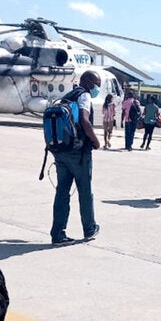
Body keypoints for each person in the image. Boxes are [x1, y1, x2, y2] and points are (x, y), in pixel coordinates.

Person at [49, 70, 102, 244]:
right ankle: (89, 228)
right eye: (96, 84)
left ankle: (58, 233)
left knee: (62, 192)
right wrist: (95, 140)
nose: (97, 88)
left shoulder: (67, 96)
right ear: (87, 82)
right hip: (78, 153)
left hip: (61, 150)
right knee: (85, 191)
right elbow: (85, 120)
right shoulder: (84, 96)